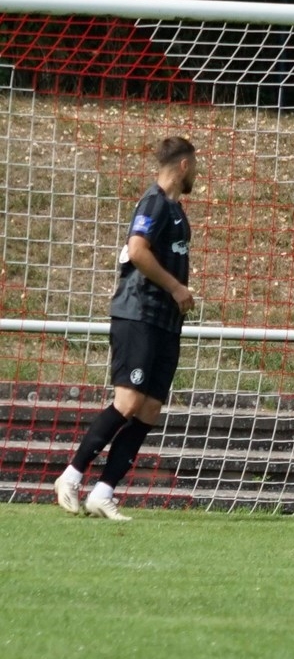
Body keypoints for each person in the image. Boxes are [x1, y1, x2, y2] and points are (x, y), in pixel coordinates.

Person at [53, 136, 198, 521]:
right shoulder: (154, 202)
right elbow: (136, 250)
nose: (197, 175)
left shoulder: (175, 209)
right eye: (195, 166)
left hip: (166, 322)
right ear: (184, 165)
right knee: (129, 402)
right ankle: (71, 475)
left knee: (149, 409)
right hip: (138, 314)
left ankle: (103, 493)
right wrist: (176, 287)